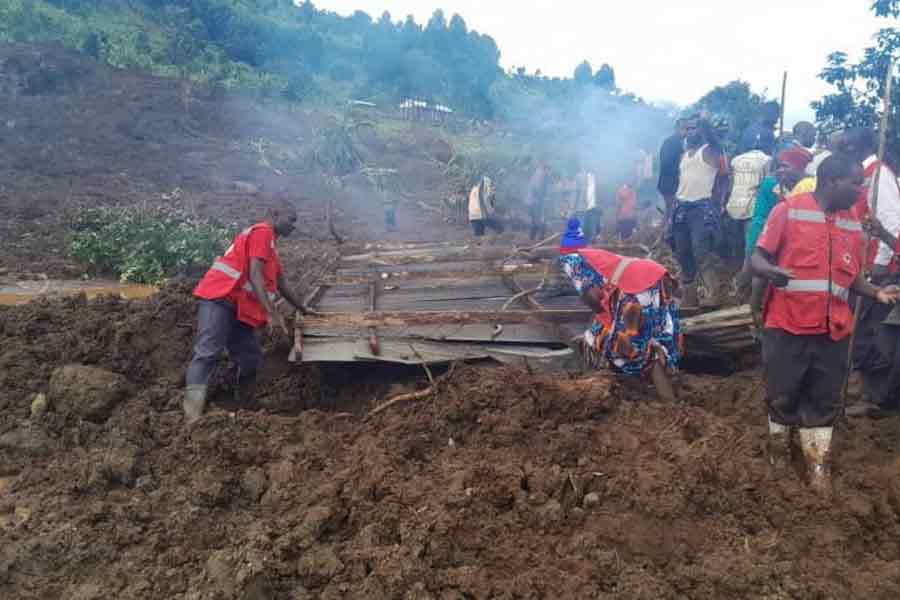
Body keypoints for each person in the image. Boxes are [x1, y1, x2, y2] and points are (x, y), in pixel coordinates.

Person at [751, 153, 900, 495]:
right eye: (855, 184)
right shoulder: (787, 211)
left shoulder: (851, 222)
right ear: (832, 181)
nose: (861, 192)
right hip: (787, 325)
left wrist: (876, 292)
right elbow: (758, 257)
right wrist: (769, 272)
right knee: (783, 394)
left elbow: (851, 277)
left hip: (833, 329)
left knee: (825, 399)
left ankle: (818, 467)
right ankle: (778, 461)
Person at [184, 201, 314, 424]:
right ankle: (192, 414)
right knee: (207, 353)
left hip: (238, 306)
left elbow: (281, 281)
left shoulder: (271, 246)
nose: (294, 226)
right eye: (291, 219)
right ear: (274, 214)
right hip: (219, 298)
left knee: (250, 356)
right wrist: (272, 314)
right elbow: (255, 275)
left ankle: (244, 407)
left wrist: (302, 308)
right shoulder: (262, 232)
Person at [560, 248, 681, 401]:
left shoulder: (572, 264)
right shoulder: (596, 257)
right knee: (656, 333)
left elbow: (595, 302)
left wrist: (595, 335)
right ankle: (667, 371)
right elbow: (605, 307)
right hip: (657, 277)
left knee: (629, 347)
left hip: (637, 289)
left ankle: (670, 403)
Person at [836, 128, 900, 416]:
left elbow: (891, 223)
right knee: (860, 330)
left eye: (848, 146)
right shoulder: (864, 174)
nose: (844, 150)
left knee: (873, 334)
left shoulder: (878, 176)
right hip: (864, 264)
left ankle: (872, 396)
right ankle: (861, 389)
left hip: (880, 268)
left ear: (860, 147)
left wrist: (881, 265)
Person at [742, 148, 814, 317]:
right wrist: (756, 244)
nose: (781, 170)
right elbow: (760, 217)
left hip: (798, 240)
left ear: (799, 168)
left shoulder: (811, 187)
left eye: (786, 166)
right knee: (761, 273)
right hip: (770, 236)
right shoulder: (770, 185)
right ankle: (754, 311)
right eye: (779, 166)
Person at [668, 116, 727, 307]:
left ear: (702, 130)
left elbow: (716, 141)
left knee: (701, 252)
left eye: (695, 128)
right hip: (681, 207)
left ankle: (713, 294)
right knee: (683, 253)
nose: (690, 132)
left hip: (701, 208)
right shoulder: (684, 155)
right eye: (688, 129)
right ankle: (689, 297)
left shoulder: (710, 151)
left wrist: (705, 123)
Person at [726, 141, 771, 263]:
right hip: (752, 204)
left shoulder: (736, 160)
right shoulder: (767, 160)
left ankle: (734, 265)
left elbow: (731, 181)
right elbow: (767, 183)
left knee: (735, 239)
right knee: (750, 240)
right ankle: (746, 268)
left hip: (734, 203)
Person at [657, 119, 686, 217]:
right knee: (672, 209)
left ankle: (665, 227)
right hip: (670, 183)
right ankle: (667, 229)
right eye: (683, 129)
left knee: (671, 208)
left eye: (686, 129)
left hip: (667, 182)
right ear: (676, 129)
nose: (685, 132)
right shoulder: (674, 142)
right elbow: (666, 162)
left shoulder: (674, 142)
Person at [575, 168, 601, 241]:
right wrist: (572, 207)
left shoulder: (597, 181)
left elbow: (599, 196)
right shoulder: (580, 178)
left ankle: (588, 246)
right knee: (581, 228)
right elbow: (575, 192)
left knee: (592, 229)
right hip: (582, 208)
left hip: (593, 208)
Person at [525, 163, 549, 240]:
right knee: (538, 221)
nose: (548, 172)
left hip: (531, 201)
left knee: (534, 221)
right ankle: (539, 239)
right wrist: (542, 198)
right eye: (548, 170)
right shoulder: (540, 175)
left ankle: (531, 239)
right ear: (545, 169)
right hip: (534, 202)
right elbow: (537, 189)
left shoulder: (536, 174)